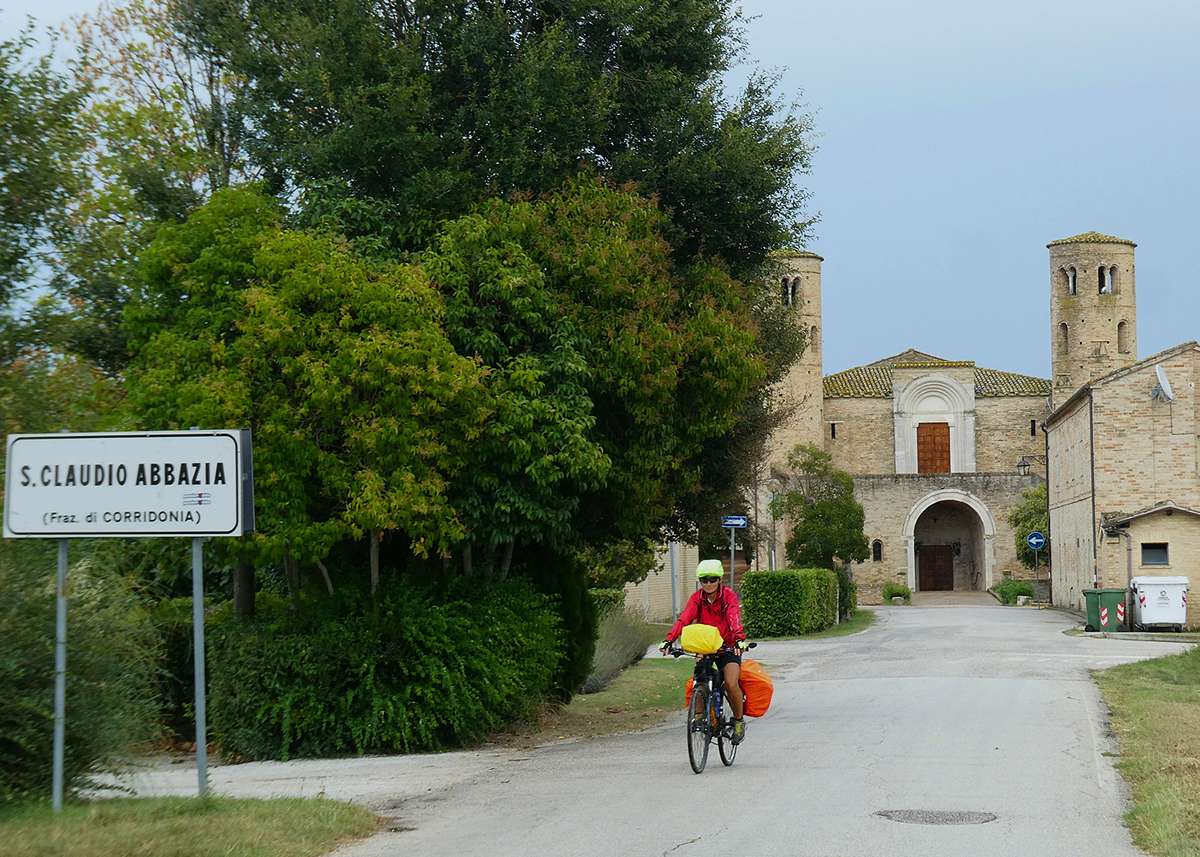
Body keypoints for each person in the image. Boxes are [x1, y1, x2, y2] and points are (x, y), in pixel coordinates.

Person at [660, 558, 750, 743]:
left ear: (719, 580)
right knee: (699, 680)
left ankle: (739, 721)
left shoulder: (728, 597)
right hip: (705, 646)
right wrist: (669, 640)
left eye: (712, 579)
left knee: (731, 683)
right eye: (704, 580)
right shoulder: (697, 599)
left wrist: (739, 639)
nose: (708, 584)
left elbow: (734, 618)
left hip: (727, 646)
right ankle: (700, 716)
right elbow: (684, 619)